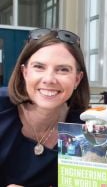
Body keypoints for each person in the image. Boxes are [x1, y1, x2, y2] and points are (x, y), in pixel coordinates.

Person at [0, 28, 90, 186]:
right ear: (24, 72)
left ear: (77, 79)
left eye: (63, 70)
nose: (49, 79)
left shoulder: (86, 129)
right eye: (39, 67)